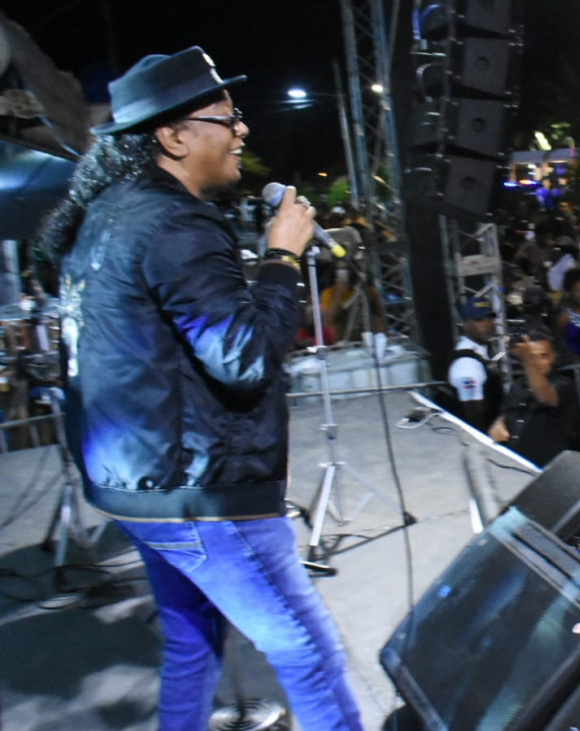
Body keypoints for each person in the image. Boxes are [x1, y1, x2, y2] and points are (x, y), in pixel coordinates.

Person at [44, 47, 363, 730]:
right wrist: (281, 257)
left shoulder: (105, 215)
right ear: (173, 136)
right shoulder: (177, 224)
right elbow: (244, 358)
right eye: (226, 116)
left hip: (137, 487)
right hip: (202, 494)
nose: (242, 129)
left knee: (192, 640)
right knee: (307, 653)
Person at [489, 328, 580, 467]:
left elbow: (544, 395)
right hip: (515, 465)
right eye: (532, 356)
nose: (538, 362)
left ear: (553, 357)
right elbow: (506, 412)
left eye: (543, 356)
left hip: (549, 467)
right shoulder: (517, 386)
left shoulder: (564, 384)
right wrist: (499, 423)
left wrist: (528, 360)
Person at [447, 296, 503, 433]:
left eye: (489, 318)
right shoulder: (467, 364)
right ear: (466, 324)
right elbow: (474, 418)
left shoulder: (480, 351)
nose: (487, 324)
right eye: (480, 320)